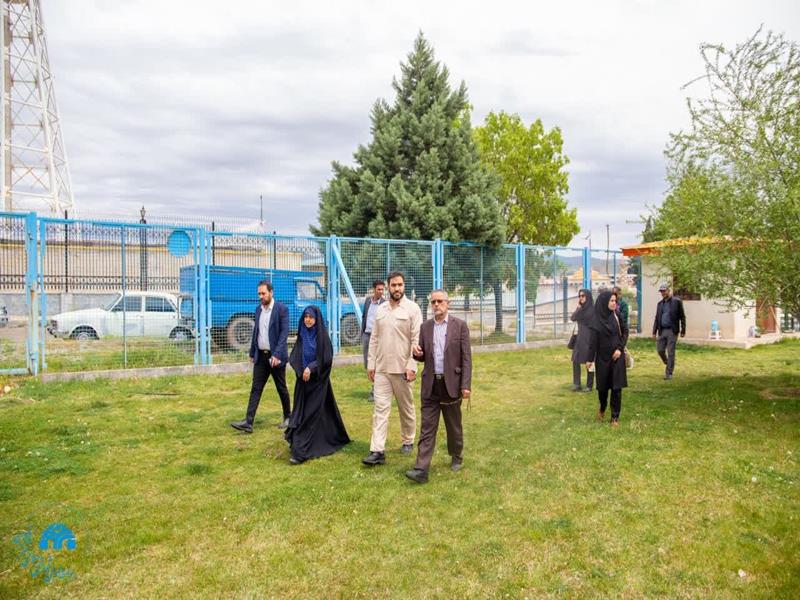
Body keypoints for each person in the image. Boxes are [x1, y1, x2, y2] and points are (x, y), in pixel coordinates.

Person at [405, 289, 472, 484]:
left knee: (453, 426)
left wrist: (465, 385)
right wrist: (416, 353)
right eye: (433, 302)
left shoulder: (460, 326)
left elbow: (466, 358)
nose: (436, 305)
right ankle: (421, 469)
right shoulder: (425, 327)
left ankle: (456, 454)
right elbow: (422, 356)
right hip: (431, 385)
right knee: (427, 428)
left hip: (451, 384)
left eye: (440, 301)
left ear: (447, 303)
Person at [362, 271, 422, 466]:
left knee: (406, 408)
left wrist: (412, 366)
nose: (397, 288)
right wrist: (371, 364)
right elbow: (374, 338)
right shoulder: (381, 309)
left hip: (402, 369)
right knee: (380, 409)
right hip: (382, 369)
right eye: (394, 285)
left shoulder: (413, 309)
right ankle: (377, 450)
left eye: (400, 285)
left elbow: (416, 340)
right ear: (388, 287)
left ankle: (408, 440)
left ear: (404, 286)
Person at [284, 306, 350, 464]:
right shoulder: (302, 334)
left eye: (311, 317)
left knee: (310, 414)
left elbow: (326, 358)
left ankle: (300, 452)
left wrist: (311, 368)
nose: (308, 320)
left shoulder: (322, 337)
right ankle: (311, 441)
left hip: (318, 383)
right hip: (303, 383)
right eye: (305, 317)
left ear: (316, 319)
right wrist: (301, 369)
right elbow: (296, 354)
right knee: (304, 413)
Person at [230, 280, 291, 433]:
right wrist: (252, 352)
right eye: (259, 294)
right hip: (261, 357)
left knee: (281, 388)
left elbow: (284, 335)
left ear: (271, 292)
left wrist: (277, 354)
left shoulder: (282, 309)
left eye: (263, 293)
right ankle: (248, 422)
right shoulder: (258, 310)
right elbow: (256, 333)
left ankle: (288, 417)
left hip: (276, 358)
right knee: (256, 388)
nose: (261, 296)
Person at [587, 291, 628, 427]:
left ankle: (615, 417)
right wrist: (589, 359)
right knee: (603, 388)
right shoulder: (596, 320)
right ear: (604, 302)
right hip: (602, 358)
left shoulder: (617, 315)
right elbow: (593, 342)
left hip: (617, 357)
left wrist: (620, 349)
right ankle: (602, 407)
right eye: (611, 301)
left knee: (616, 388)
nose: (614, 303)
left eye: (615, 300)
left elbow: (625, 331)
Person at [652, 283, 686, 380]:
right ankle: (668, 363)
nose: (663, 293)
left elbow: (682, 317)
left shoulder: (677, 301)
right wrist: (654, 332)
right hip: (662, 330)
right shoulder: (660, 304)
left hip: (672, 330)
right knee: (660, 350)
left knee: (671, 352)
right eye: (661, 291)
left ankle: (669, 373)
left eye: (664, 291)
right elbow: (657, 318)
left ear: (668, 291)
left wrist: (683, 330)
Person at [360, 279, 386, 402]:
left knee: (377, 363)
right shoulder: (367, 301)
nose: (381, 291)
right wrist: (362, 333)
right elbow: (364, 316)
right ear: (374, 290)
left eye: (382, 289)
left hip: (378, 338)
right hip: (367, 335)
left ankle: (375, 390)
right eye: (379, 289)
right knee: (368, 363)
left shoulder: (385, 304)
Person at [570, 288, 595, 392]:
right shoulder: (581, 309)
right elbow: (573, 318)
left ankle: (589, 385)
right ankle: (577, 384)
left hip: (589, 338)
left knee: (589, 361)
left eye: (583, 296)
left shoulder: (593, 310)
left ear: (588, 296)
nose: (581, 298)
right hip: (579, 338)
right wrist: (578, 308)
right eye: (579, 296)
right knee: (575, 360)